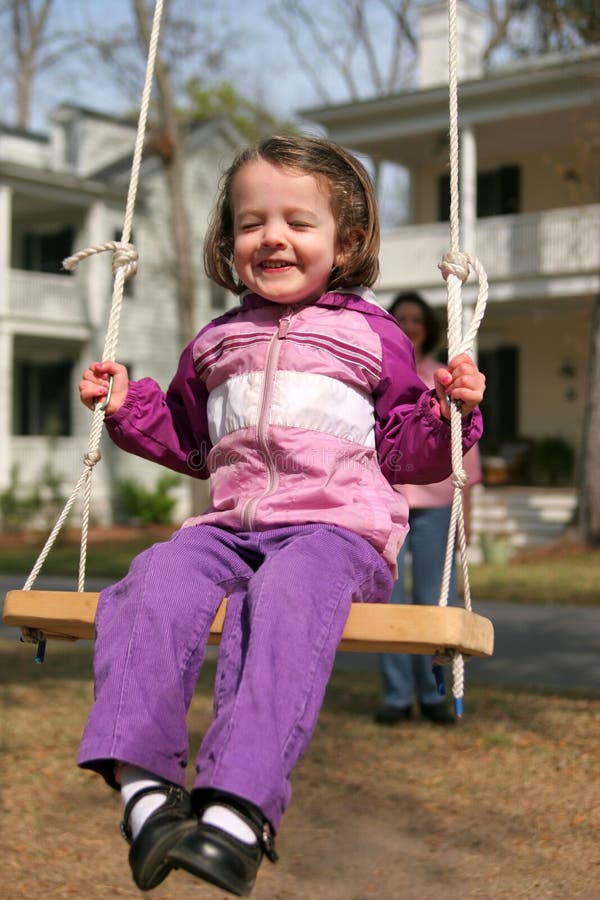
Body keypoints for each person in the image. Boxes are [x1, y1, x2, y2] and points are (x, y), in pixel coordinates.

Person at [77, 135, 486, 897]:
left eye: (298, 222)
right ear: (228, 239)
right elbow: (191, 440)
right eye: (251, 222)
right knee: (152, 579)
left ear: (346, 242)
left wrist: (447, 417)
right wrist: (128, 406)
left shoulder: (373, 337)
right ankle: (145, 795)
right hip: (230, 530)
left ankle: (236, 811)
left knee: (285, 597)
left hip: (336, 533)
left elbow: (406, 452)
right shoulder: (215, 342)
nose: (272, 238)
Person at [374, 292, 483, 728]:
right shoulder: (379, 373)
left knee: (435, 600)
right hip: (387, 504)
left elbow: (466, 453)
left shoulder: (446, 374)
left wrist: (465, 520)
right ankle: (397, 696)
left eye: (417, 319)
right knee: (388, 601)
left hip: (437, 505)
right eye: (401, 318)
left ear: (428, 326)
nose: (410, 326)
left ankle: (435, 694)